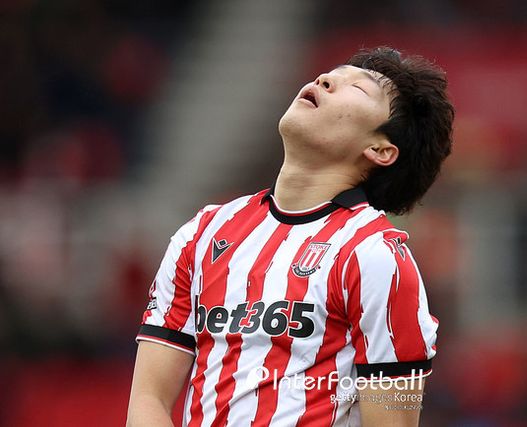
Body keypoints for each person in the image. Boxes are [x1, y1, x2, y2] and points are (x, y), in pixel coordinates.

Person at [127, 46, 454, 427]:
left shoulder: (375, 257)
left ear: (380, 150)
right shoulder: (202, 234)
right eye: (331, 73)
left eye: (358, 88)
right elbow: (148, 399)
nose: (325, 79)